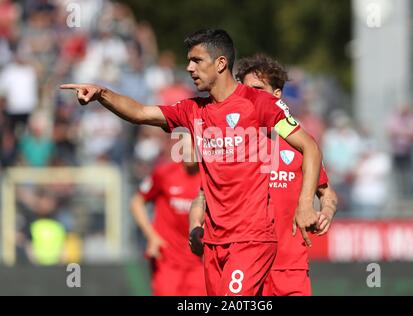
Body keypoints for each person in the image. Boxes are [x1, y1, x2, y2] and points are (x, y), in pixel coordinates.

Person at [61, 29, 322, 296]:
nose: (189, 68)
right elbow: (140, 113)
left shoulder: (259, 103)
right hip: (213, 242)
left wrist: (305, 205)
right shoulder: (192, 110)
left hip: (251, 240)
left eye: (196, 60)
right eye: (189, 61)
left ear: (220, 63)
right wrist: (101, 94)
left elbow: (310, 147)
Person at [190, 54, 338, 296]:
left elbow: (327, 193)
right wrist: (195, 228)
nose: (250, 96)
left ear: (277, 95)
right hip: (245, 264)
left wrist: (325, 213)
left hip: (289, 268)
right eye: (245, 89)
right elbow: (201, 197)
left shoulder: (299, 146)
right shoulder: (232, 145)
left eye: (258, 89)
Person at [129, 134, 205, 296]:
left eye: (193, 147)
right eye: (186, 147)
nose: (189, 152)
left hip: (199, 262)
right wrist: (151, 236)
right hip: (167, 260)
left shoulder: (209, 178)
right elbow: (136, 202)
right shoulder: (164, 174)